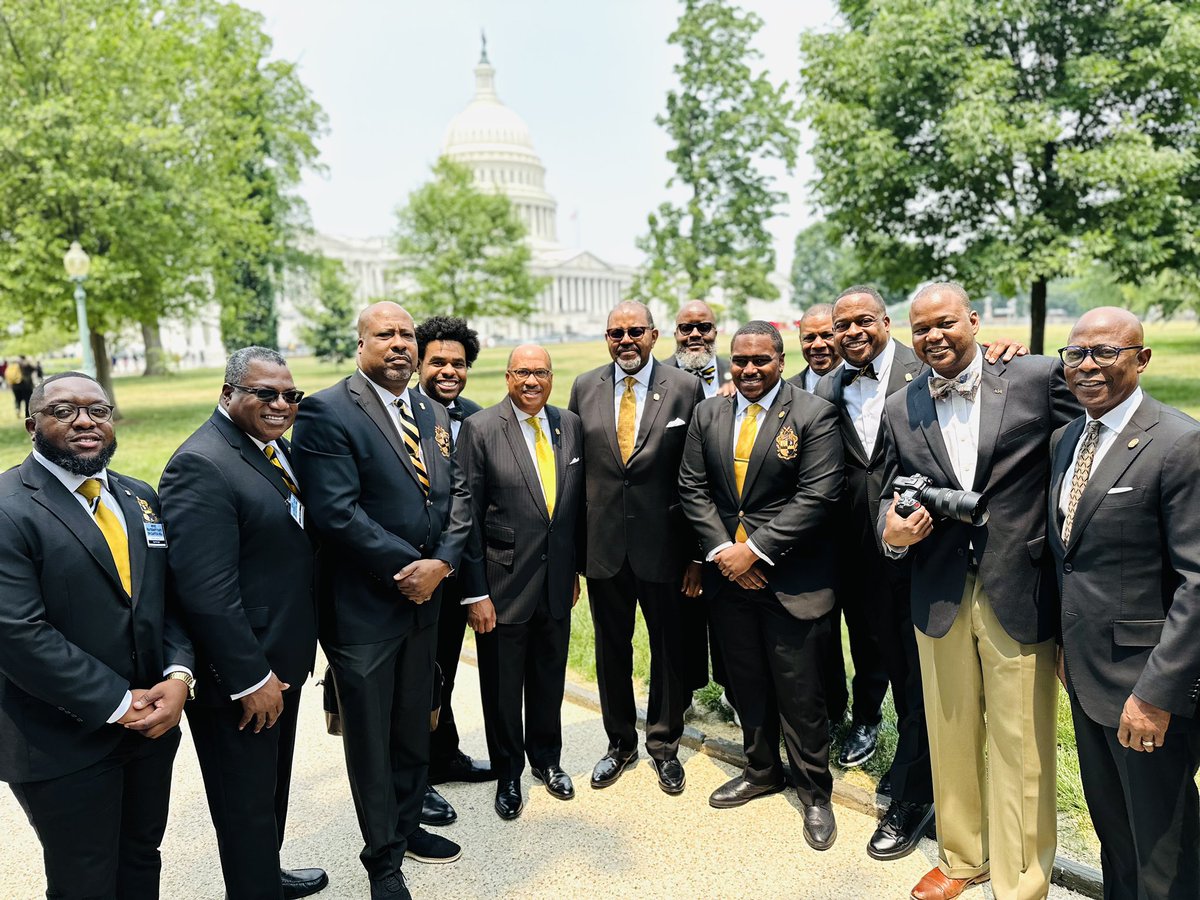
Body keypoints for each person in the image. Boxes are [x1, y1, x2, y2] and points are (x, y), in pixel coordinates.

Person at [878, 282, 1077, 900]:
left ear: (974, 319)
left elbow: (1085, 452)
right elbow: (888, 489)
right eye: (921, 328)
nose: (934, 336)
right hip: (937, 592)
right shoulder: (900, 405)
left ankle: (1021, 882)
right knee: (950, 732)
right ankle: (964, 859)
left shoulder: (1036, 377)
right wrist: (889, 530)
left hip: (1019, 586)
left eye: (945, 322)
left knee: (1022, 746)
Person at [292, 302, 472, 900]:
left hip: (425, 603)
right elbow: (335, 512)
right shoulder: (326, 410)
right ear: (361, 344)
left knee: (411, 727)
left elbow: (458, 496)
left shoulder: (431, 410)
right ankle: (383, 863)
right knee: (370, 743)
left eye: (406, 334)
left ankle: (406, 828)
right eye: (385, 334)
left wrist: (442, 564)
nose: (399, 344)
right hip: (365, 609)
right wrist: (408, 568)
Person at [0, 372, 193, 899]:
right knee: (84, 878)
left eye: (98, 411)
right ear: (31, 424)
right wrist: (116, 702)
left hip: (153, 726)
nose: (85, 421)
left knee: (140, 857)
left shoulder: (139, 497)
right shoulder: (7, 507)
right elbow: (16, 632)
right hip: (60, 735)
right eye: (64, 411)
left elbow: (168, 601)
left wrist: (178, 677)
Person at [158, 347, 325, 900]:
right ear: (228, 395)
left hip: (283, 661)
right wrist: (251, 678)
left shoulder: (273, 451)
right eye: (265, 394)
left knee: (269, 793)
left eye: (290, 395)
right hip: (242, 677)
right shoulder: (200, 464)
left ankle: (265, 875)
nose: (281, 404)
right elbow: (205, 591)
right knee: (244, 804)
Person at [1049, 307, 1200, 900]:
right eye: (1076, 354)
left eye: (1105, 353)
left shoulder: (1180, 444)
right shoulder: (1070, 436)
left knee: (1165, 848)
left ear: (1141, 360)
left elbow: (1196, 582)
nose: (1087, 366)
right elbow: (1070, 554)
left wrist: (1157, 696)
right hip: (1088, 678)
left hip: (1148, 689)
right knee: (1116, 835)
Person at [678, 321, 844, 850]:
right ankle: (761, 770)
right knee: (746, 684)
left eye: (761, 361)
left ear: (779, 358)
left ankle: (815, 791)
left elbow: (819, 494)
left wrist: (755, 550)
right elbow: (692, 487)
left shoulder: (813, 414)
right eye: (741, 362)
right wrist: (726, 554)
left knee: (800, 693)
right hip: (729, 580)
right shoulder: (709, 413)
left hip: (792, 579)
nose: (749, 371)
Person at [568, 300, 705, 795]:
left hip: (666, 549)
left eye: (634, 332)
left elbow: (697, 476)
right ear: (607, 338)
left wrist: (695, 555)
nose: (625, 340)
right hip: (603, 548)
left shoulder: (685, 387)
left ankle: (664, 743)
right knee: (611, 649)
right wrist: (573, 554)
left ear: (653, 335)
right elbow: (575, 471)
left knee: (668, 648)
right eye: (615, 333)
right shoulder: (585, 387)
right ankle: (619, 742)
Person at [457, 344, 585, 820]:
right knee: (503, 687)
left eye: (541, 373)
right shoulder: (482, 428)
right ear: (508, 376)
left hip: (556, 584)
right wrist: (475, 593)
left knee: (549, 679)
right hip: (500, 585)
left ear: (552, 377)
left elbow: (572, 508)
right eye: (523, 372)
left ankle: (547, 762)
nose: (532, 381)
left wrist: (573, 570)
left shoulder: (568, 424)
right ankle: (508, 772)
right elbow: (466, 517)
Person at [413, 316, 492, 828]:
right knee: (416, 676)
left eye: (457, 364)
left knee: (442, 665)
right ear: (419, 363)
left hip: (463, 566)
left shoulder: (476, 418)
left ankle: (446, 754)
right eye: (437, 361)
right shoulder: (401, 417)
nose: (448, 371)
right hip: (416, 568)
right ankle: (414, 777)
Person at [658, 299, 736, 399]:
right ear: (675, 335)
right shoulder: (657, 375)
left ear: (715, 334)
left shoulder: (735, 373)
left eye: (704, 327)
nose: (695, 334)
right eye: (686, 328)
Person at [787, 304, 841, 392]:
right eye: (809, 338)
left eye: (827, 336)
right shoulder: (786, 392)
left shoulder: (862, 380)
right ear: (800, 340)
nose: (818, 345)